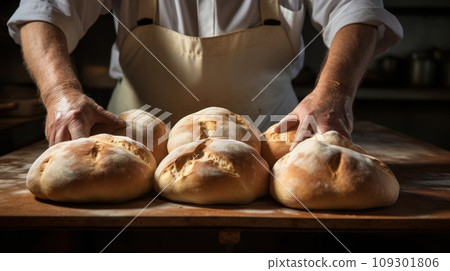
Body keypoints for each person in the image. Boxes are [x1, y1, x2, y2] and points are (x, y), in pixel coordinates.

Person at [8, 0, 402, 147]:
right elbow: (42, 12)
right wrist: (59, 91)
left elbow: (356, 10)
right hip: (135, 142)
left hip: (275, 143)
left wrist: (334, 92)